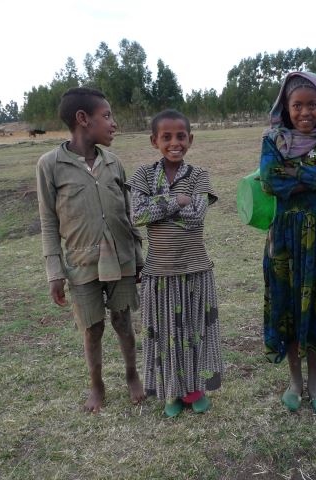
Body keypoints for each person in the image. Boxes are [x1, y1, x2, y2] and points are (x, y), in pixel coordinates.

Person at [36, 87, 145, 413]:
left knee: (123, 321)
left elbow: (127, 214)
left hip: (121, 257)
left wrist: (138, 259)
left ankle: (132, 375)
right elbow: (48, 222)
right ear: (83, 119)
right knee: (92, 327)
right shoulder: (50, 165)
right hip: (81, 262)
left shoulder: (114, 163)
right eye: (107, 116)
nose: (113, 124)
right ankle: (97, 385)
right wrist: (55, 272)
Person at [260, 71, 316, 415]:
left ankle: (315, 384)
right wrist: (314, 176)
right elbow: (269, 180)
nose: (304, 112)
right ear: (286, 106)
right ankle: (295, 383)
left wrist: (292, 174)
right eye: (297, 105)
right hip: (283, 237)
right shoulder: (273, 139)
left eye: (312, 105)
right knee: (287, 308)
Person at [127, 109, 223, 417]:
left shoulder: (199, 175)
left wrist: (160, 207)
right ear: (154, 140)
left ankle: (194, 391)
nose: (174, 142)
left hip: (196, 269)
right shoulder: (142, 175)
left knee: (195, 332)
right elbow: (138, 215)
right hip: (159, 272)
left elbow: (196, 217)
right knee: (166, 333)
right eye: (166, 137)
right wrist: (176, 201)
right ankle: (171, 393)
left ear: (190, 139)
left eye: (181, 136)